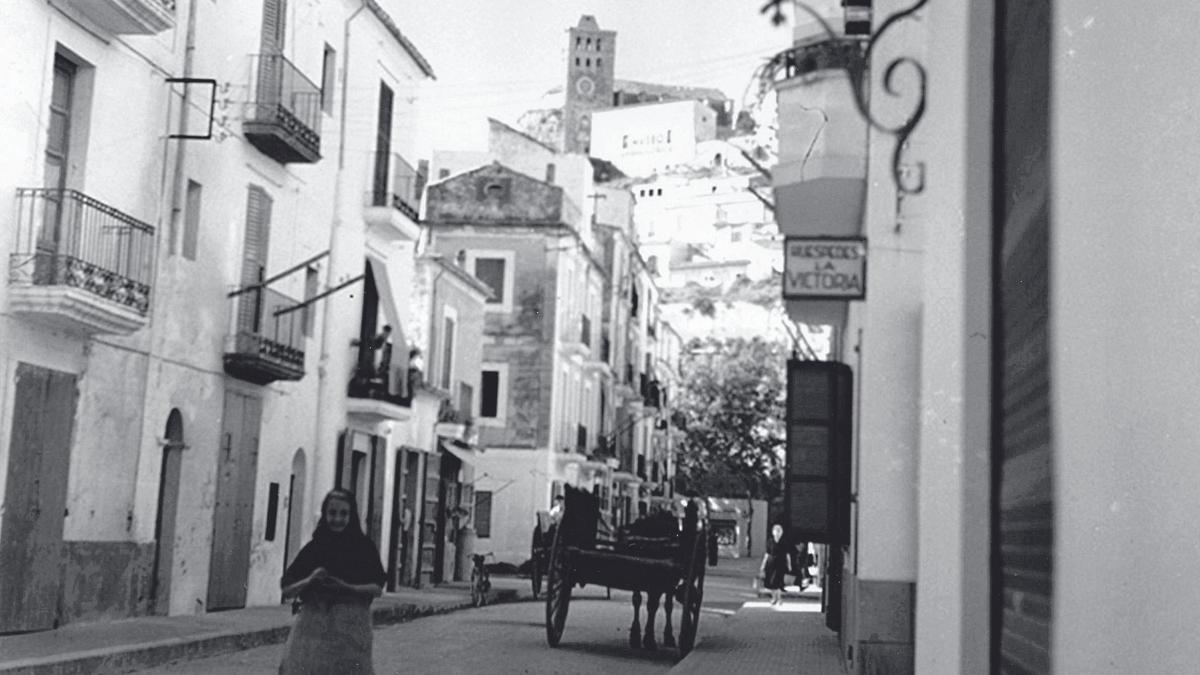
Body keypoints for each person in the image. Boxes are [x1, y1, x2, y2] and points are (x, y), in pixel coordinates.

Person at [279, 489, 386, 674]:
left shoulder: (364, 548)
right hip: (313, 633)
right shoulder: (314, 547)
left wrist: (348, 588)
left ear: (351, 516)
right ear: (325, 514)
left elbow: (377, 588)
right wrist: (310, 579)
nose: (337, 519)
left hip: (351, 633)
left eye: (343, 513)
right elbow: (287, 588)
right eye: (332, 513)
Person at [759, 523, 794, 606]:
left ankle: (779, 599)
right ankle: (774, 598)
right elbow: (767, 554)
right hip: (771, 564)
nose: (777, 532)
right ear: (773, 532)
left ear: (781, 532)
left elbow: (787, 554)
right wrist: (763, 565)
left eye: (779, 531)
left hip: (780, 564)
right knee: (771, 583)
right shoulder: (770, 541)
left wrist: (789, 565)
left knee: (778, 582)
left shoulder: (784, 541)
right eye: (776, 530)